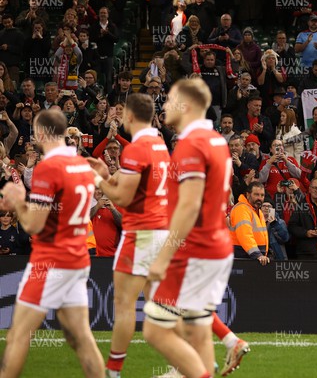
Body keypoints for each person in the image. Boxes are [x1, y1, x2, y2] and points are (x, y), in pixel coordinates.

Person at [0, 109, 104, 377]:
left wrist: (18, 199)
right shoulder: (81, 164)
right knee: (80, 337)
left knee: (18, 335)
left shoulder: (49, 167)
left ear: (43, 133)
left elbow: (34, 224)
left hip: (50, 262)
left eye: (35, 132)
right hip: (77, 258)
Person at [142, 78, 235, 378]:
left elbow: (190, 205)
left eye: (170, 99)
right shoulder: (217, 140)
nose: (165, 105)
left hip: (195, 248)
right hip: (215, 245)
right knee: (197, 328)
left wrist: (164, 256)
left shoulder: (191, 145)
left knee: (156, 328)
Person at [87, 94, 171, 378]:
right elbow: (134, 190)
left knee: (123, 306)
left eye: (122, 114)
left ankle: (113, 371)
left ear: (131, 116)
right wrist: (107, 176)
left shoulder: (137, 149)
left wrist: (98, 180)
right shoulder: (160, 146)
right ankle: (185, 365)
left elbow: (122, 196)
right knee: (157, 304)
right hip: (161, 232)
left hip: (142, 234)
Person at [229, 181, 270, 263]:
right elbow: (245, 234)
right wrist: (257, 254)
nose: (260, 198)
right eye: (256, 194)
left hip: (254, 257)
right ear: (248, 195)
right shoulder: (241, 209)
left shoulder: (257, 211)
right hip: (242, 257)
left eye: (262, 195)